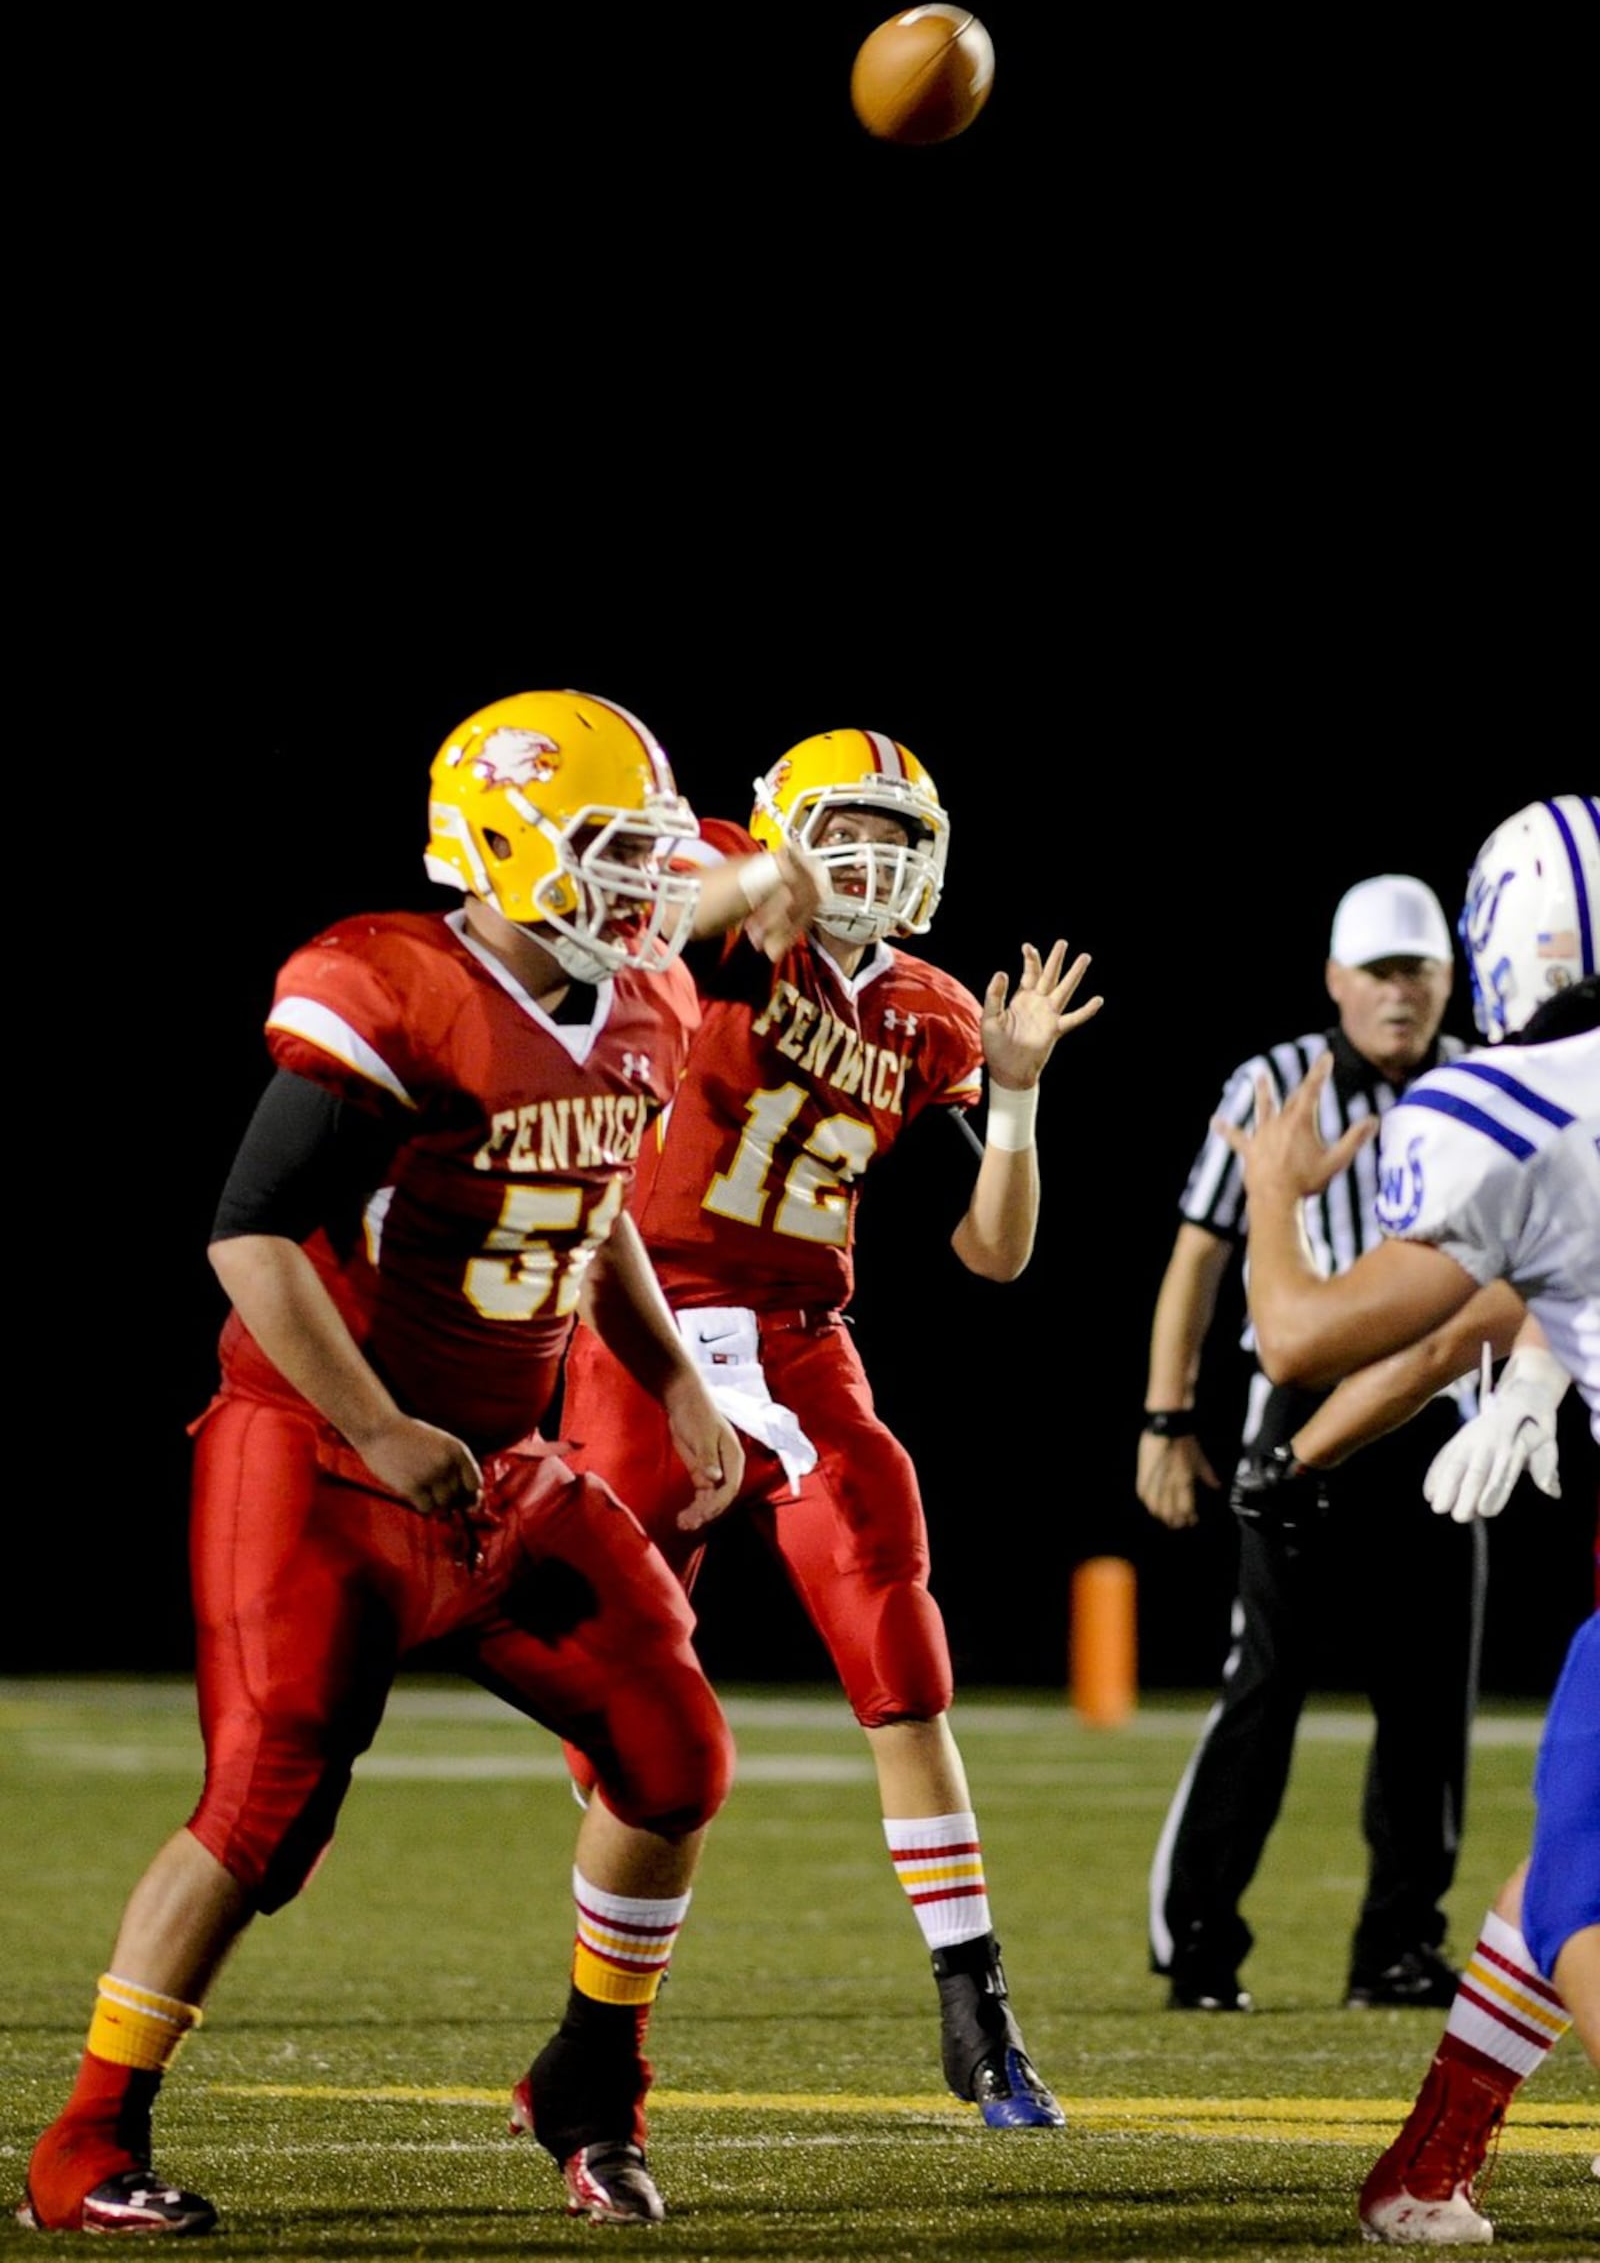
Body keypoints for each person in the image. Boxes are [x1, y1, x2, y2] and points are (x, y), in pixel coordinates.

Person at [16, 689, 831, 2237]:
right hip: (318, 1453)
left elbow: (584, 1219)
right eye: (610, 852)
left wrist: (671, 1377)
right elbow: (247, 1234)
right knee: (265, 1804)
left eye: (654, 857)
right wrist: (384, 1427)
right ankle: (87, 2138)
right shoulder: (394, 986)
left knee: (675, 1754)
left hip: (503, 1466)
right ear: (507, 844)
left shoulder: (640, 998)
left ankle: (589, 2083)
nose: (645, 889)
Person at [556, 727, 1103, 2128]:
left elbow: (996, 1253)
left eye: (891, 835)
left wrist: (1024, 1089)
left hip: (802, 1344)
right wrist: (750, 887)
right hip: (647, 1332)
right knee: (625, 1717)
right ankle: (597, 2042)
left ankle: (978, 2013)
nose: (865, 858)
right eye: (837, 829)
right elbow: (646, 903)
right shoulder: (739, 914)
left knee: (899, 1645)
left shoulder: (931, 1011)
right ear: (783, 830)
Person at [1209, 792, 1598, 2245]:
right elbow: (1469, 1334)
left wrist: (1271, 1196)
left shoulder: (1509, 1107)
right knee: (1559, 1868)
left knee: (1584, 1891)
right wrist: (1536, 1376)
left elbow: (1311, 1328)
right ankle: (1427, 2164)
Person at [1138, 872, 1488, 2013]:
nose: (1399, 992)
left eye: (1417, 969)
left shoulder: (1488, 1080)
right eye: (1379, 971)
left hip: (1442, 1413)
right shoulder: (1275, 1082)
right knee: (1268, 1679)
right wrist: (1166, 1416)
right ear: (1337, 979)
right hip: (1302, 1399)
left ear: (1449, 975)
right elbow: (1197, 1255)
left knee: (1430, 1694)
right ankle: (1199, 1938)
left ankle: (1396, 1944)